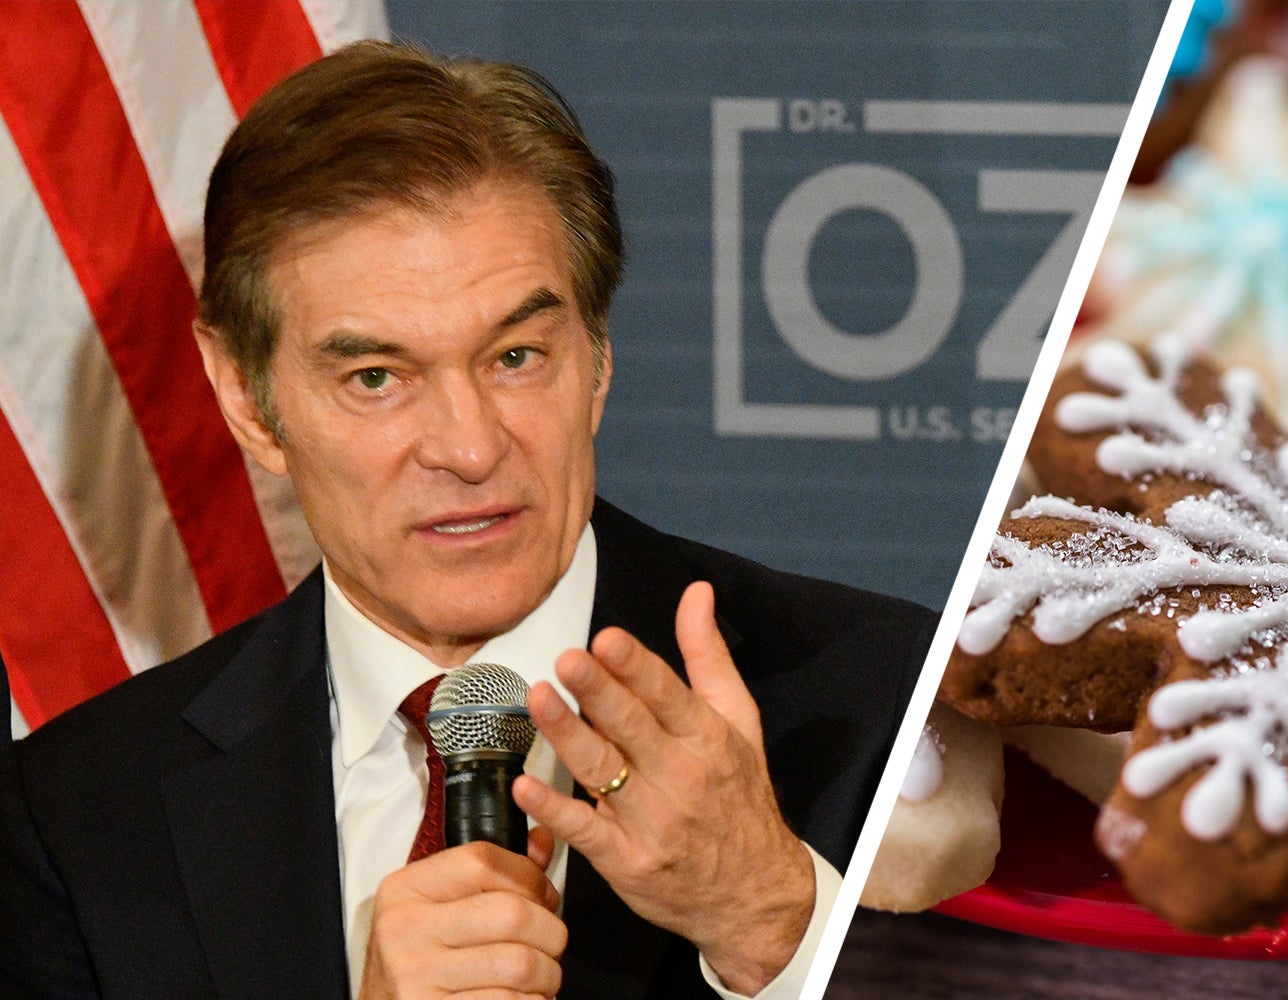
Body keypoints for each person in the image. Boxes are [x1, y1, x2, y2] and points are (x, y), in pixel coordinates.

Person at [1, 41, 932, 1000]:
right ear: (246, 399)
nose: (471, 447)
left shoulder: (885, 699)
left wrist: (772, 922)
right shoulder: (73, 821)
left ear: (598, 355)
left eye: (517, 356)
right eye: (377, 378)